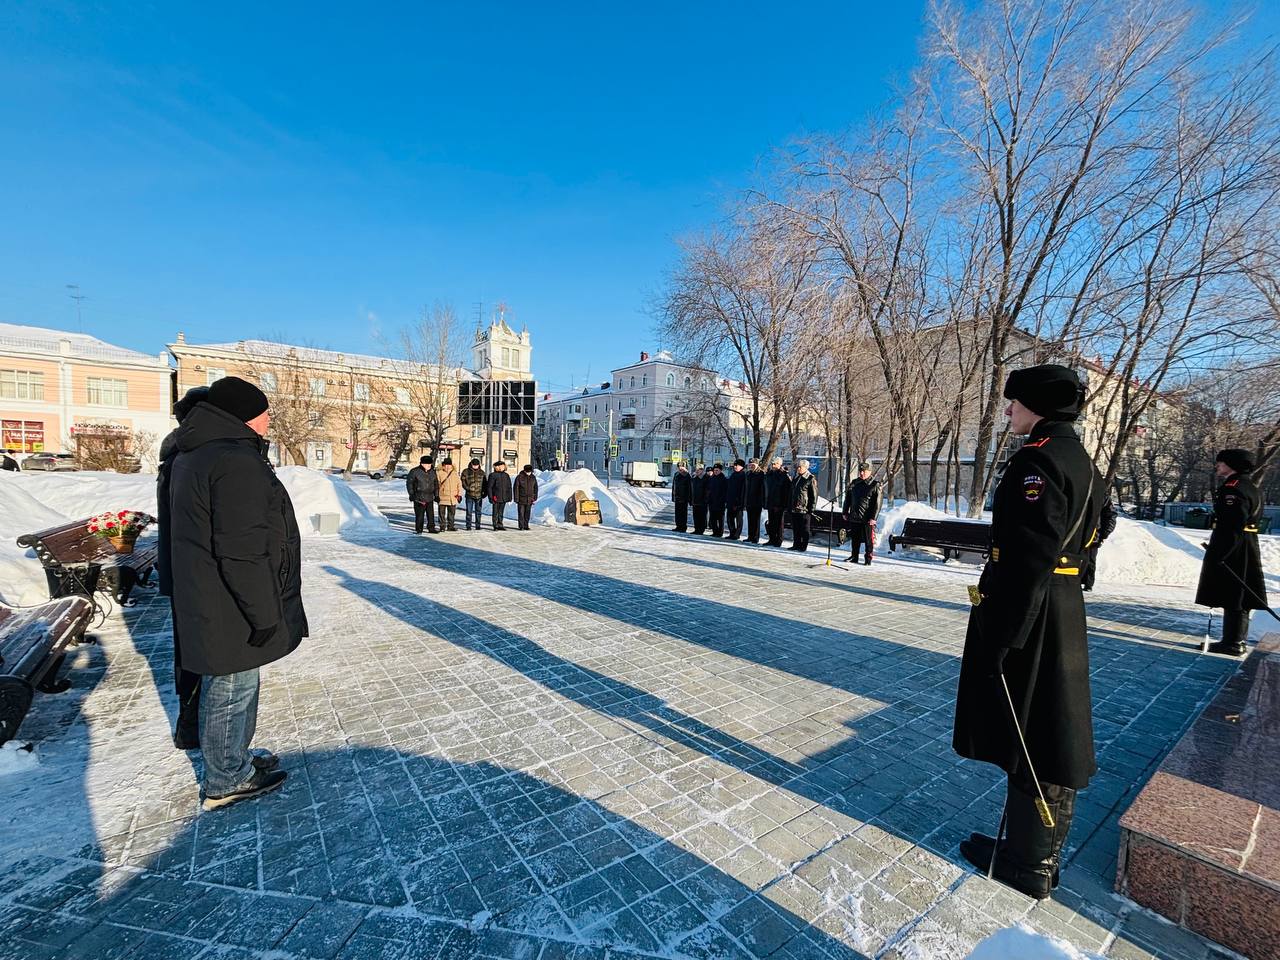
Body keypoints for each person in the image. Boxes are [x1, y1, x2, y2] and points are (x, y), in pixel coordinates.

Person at [953, 364, 1104, 900]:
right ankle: (1035, 855)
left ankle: (1026, 864)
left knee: (1032, 730)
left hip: (1031, 612)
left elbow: (1029, 554)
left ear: (1036, 404)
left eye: (1013, 401)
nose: (1008, 410)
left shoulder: (1036, 461)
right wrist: (1075, 570)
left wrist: (1004, 635)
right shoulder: (1078, 458)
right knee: (1049, 729)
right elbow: (1099, 526)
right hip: (1060, 607)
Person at [169, 376, 304, 810]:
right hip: (229, 601)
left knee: (231, 682)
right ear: (245, 415)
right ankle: (227, 778)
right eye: (264, 412)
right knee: (232, 686)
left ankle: (233, 760)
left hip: (210, 593)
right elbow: (242, 548)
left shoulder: (197, 452)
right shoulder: (233, 461)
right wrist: (264, 614)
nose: (268, 420)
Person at [156, 385, 209, 750]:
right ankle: (194, 724)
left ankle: (191, 722)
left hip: (183, 568)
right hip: (197, 572)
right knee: (198, 651)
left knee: (188, 649)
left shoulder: (175, 454)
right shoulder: (191, 456)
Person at [1196, 449, 1269, 656]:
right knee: (1238, 594)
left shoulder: (1233, 488)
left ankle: (1234, 642)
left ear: (1232, 465)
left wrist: (1223, 553)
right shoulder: (1249, 485)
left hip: (1234, 545)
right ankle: (1234, 639)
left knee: (1235, 593)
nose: (1217, 466)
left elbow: (1233, 523)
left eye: (1221, 463)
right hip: (1245, 544)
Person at [842, 462, 881, 565]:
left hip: (867, 518)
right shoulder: (855, 483)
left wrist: (874, 517)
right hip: (855, 516)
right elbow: (848, 499)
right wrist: (845, 511)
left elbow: (878, 503)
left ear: (869, 472)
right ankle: (854, 556)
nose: (862, 473)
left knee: (868, 540)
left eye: (864, 471)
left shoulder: (874, 484)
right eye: (860, 471)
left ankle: (868, 558)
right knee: (855, 539)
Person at [1080, 499, 1116, 591]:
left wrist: (1104, 534)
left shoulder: (1104, 497)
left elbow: (1111, 516)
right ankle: (1076, 580)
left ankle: (1088, 584)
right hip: (1079, 532)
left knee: (1090, 560)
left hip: (1094, 534)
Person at [788, 460, 818, 551]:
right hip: (795, 507)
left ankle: (803, 546)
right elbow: (792, 493)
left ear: (806, 468)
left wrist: (811, 508)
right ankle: (796, 544)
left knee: (804, 529)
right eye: (798, 467)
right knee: (796, 527)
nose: (798, 468)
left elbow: (814, 495)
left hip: (804, 508)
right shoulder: (796, 478)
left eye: (800, 467)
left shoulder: (810, 478)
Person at [406, 456, 439, 534]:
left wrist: (436, 495)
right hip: (419, 497)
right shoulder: (414, 471)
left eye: (430, 464)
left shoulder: (432, 472)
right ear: (422, 464)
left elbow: (436, 484)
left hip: (430, 496)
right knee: (420, 515)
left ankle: (431, 528)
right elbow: (409, 483)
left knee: (431, 515)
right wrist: (411, 494)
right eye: (427, 464)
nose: (429, 465)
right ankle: (419, 529)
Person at [764, 458, 789, 547]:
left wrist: (782, 504)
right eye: (773, 464)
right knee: (771, 522)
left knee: (779, 523)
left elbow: (786, 492)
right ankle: (771, 539)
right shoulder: (769, 475)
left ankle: (778, 540)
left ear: (780, 465)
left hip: (779, 504)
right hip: (770, 502)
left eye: (776, 464)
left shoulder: (783, 476)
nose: (773, 466)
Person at [460, 458, 488, 531]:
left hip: (479, 495)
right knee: (469, 511)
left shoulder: (482, 472)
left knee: (478, 512)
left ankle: (478, 525)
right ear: (471, 464)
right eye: (474, 465)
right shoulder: (466, 471)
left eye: (477, 465)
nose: (475, 466)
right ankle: (468, 525)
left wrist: (484, 492)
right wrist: (468, 488)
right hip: (469, 495)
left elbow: (485, 483)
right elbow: (463, 482)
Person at [435, 459, 462, 531]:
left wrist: (459, 494)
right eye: (445, 465)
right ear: (443, 465)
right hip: (442, 496)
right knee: (441, 513)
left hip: (453, 497)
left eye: (449, 465)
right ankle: (442, 526)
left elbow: (459, 484)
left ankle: (451, 526)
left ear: (451, 465)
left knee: (451, 513)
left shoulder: (455, 473)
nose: (447, 466)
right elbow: (436, 485)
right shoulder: (439, 473)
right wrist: (436, 495)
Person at [744, 459, 765, 543]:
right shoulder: (748, 474)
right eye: (750, 464)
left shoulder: (761, 474)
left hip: (757, 500)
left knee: (756, 520)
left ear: (757, 464)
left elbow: (763, 488)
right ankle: (750, 536)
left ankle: (755, 537)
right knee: (750, 519)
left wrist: (762, 500)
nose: (751, 466)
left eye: (753, 464)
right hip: (749, 500)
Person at [487, 460, 513, 530]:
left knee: (501, 512)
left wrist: (510, 496)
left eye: (503, 466)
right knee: (495, 512)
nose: (502, 467)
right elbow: (489, 487)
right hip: (495, 497)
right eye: (500, 466)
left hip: (504, 497)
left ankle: (500, 524)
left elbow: (509, 487)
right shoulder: (493, 475)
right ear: (496, 467)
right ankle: (495, 525)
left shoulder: (506, 475)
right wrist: (490, 497)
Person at [725, 459, 746, 540]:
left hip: (738, 502)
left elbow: (742, 490)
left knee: (738, 519)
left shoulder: (743, 475)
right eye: (734, 465)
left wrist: (739, 503)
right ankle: (732, 533)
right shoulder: (733, 475)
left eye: (736, 465)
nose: (735, 466)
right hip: (730, 501)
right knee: (729, 518)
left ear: (741, 466)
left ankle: (737, 534)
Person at [514, 464, 539, 530]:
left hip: (530, 499)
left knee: (527, 513)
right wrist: (516, 498)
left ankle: (526, 525)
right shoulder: (519, 477)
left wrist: (535, 497)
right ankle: (521, 526)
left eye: (530, 471)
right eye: (527, 471)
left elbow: (535, 487)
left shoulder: (533, 477)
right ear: (524, 471)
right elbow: (516, 488)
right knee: (521, 513)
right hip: (521, 498)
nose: (528, 473)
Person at [706, 463, 728, 537]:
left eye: (717, 470)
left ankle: (720, 532)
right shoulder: (712, 478)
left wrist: (723, 500)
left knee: (720, 518)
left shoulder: (724, 479)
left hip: (720, 502)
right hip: (712, 501)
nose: (715, 471)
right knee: (713, 518)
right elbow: (709, 489)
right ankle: (715, 531)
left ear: (720, 470)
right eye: (714, 470)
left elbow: (725, 491)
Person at [671, 462, 692, 532]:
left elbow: (689, 487)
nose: (680, 468)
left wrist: (689, 498)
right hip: (677, 496)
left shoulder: (687, 475)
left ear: (685, 467)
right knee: (677, 513)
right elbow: (674, 486)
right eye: (679, 466)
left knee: (683, 513)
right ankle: (678, 526)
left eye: (681, 466)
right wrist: (673, 496)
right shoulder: (676, 474)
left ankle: (683, 527)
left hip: (684, 497)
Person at [691, 465, 708, 535]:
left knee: (702, 516)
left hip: (702, 501)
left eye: (698, 469)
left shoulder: (706, 478)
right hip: (695, 501)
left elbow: (707, 490)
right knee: (696, 516)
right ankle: (696, 529)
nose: (697, 471)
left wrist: (705, 499)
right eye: (696, 470)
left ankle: (701, 530)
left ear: (702, 470)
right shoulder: (694, 479)